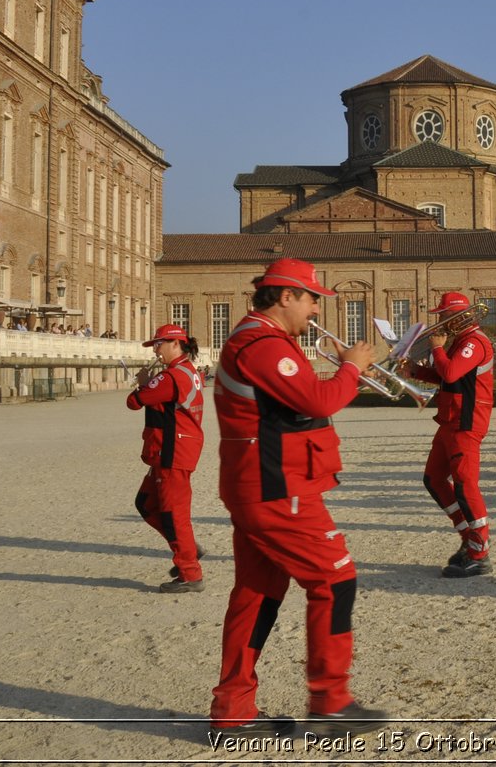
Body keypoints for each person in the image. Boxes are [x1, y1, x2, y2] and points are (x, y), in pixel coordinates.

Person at [207, 257, 385, 741]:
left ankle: (233, 712)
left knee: (256, 596)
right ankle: (330, 702)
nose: (315, 312)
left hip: (266, 484)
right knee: (336, 579)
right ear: (285, 296)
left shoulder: (261, 339)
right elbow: (318, 402)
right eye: (311, 300)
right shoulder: (263, 344)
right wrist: (351, 368)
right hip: (276, 487)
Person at [408, 291, 496, 577]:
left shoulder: (475, 341)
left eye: (444, 316)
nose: (440, 323)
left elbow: (450, 372)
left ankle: (479, 551)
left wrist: (435, 348)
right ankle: (467, 537)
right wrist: (414, 371)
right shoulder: (461, 340)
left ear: (458, 316)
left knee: (465, 485)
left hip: (467, 422)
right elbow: (445, 375)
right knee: (433, 479)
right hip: (450, 420)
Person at [125, 324, 206, 592]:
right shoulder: (189, 371)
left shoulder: (171, 376)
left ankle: (190, 572)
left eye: (158, 344)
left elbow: (134, 401)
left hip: (172, 451)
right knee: (146, 504)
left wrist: (144, 382)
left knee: (173, 515)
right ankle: (188, 549)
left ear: (175, 343)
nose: (156, 350)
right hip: (176, 449)